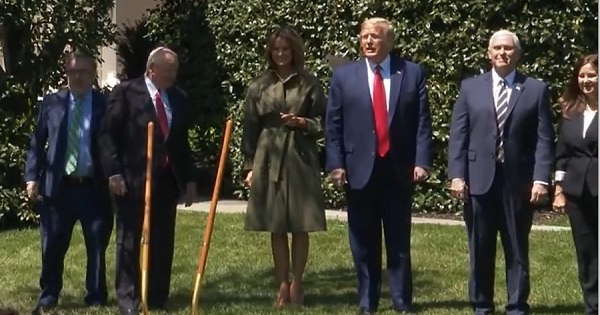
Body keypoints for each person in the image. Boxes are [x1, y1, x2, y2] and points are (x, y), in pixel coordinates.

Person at [324, 17, 433, 314]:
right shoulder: (344, 76)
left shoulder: (411, 73)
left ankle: (401, 301)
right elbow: (333, 125)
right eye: (364, 36)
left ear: (389, 41)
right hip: (358, 171)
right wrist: (336, 163)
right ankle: (366, 301)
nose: (368, 42)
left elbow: (422, 123)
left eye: (375, 36)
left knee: (398, 240)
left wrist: (422, 161)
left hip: (397, 169)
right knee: (363, 242)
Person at [447, 30, 554, 315]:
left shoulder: (535, 89)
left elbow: (544, 138)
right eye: (497, 48)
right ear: (489, 53)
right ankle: (481, 305)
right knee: (480, 248)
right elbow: (459, 135)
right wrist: (457, 175)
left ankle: (517, 305)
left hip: (517, 183)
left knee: (517, 248)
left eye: (508, 48)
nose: (502, 53)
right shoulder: (470, 88)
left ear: (517, 54)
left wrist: (541, 179)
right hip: (478, 180)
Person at [98, 46, 197, 315]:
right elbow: (107, 134)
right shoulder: (127, 93)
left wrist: (188, 180)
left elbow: (181, 144)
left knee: (162, 240)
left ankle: (156, 296)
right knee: (130, 240)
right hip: (132, 179)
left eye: (175, 70)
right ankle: (129, 298)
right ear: (151, 69)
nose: (172, 75)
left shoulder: (178, 97)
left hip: (166, 181)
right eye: (168, 70)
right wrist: (114, 172)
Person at [241, 26, 327, 308]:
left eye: (285, 49)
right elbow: (250, 128)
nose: (280, 54)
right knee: (276, 225)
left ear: (294, 51)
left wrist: (303, 123)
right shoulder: (258, 85)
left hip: (300, 156)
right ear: (270, 52)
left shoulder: (309, 83)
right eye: (276, 49)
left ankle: (298, 284)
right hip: (268, 155)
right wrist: (249, 165)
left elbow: (324, 123)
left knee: (300, 224)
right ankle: (282, 284)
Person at [23, 52, 113, 314]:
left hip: (93, 187)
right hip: (58, 188)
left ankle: (95, 295)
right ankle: (49, 294)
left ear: (93, 73)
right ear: (66, 73)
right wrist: (31, 177)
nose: (78, 77)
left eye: (83, 72)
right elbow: (37, 143)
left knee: (96, 243)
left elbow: (113, 145)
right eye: (73, 72)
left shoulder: (104, 104)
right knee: (52, 245)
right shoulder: (52, 103)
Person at [552, 53, 598, 315]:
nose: (586, 80)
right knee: (587, 252)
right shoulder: (570, 110)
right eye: (582, 75)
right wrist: (559, 190)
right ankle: (593, 305)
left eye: (591, 75)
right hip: (578, 192)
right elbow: (562, 154)